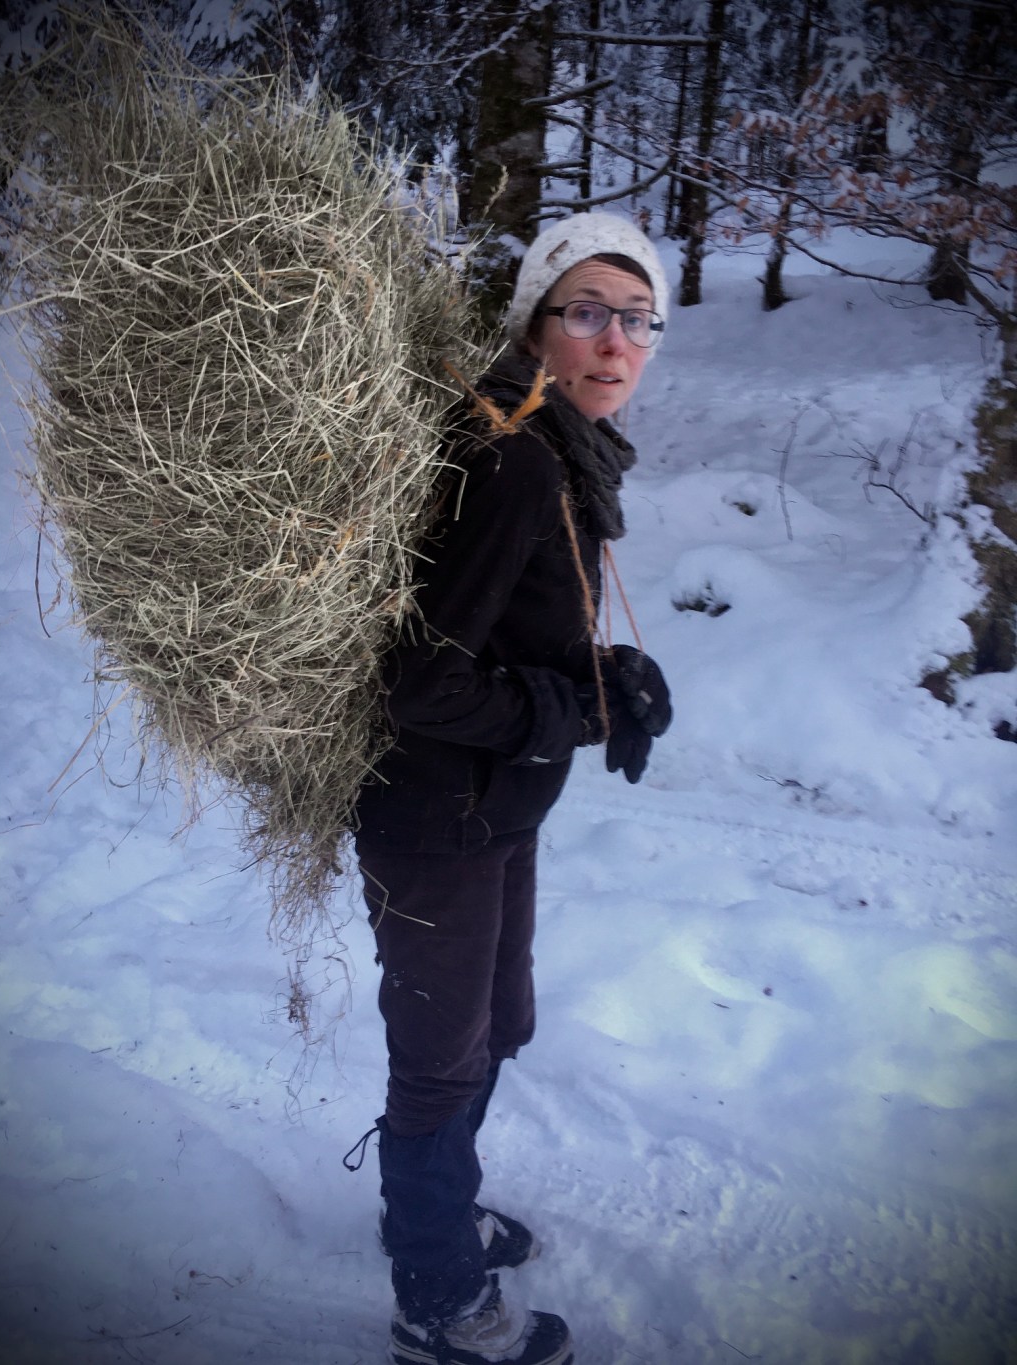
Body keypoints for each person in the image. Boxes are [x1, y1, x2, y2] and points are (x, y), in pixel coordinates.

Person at [351, 212, 673, 1365]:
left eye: (638, 320)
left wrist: (618, 678)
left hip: (498, 802)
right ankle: (433, 1296)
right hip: (431, 812)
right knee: (439, 1055)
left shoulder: (561, 452)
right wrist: (572, 713)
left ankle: (438, 1207)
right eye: (586, 311)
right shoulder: (512, 458)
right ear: (534, 323)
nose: (615, 344)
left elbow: (523, 629)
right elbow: (418, 680)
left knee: (498, 1026)